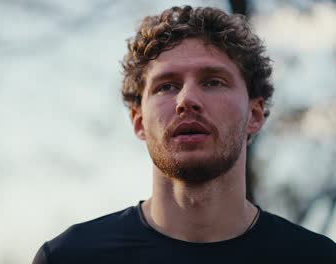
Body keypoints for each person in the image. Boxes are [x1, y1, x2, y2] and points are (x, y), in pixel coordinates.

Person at [32, 5, 336, 264]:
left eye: (213, 81)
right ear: (138, 121)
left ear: (254, 115)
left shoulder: (317, 257)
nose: (186, 100)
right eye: (166, 86)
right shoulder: (70, 257)